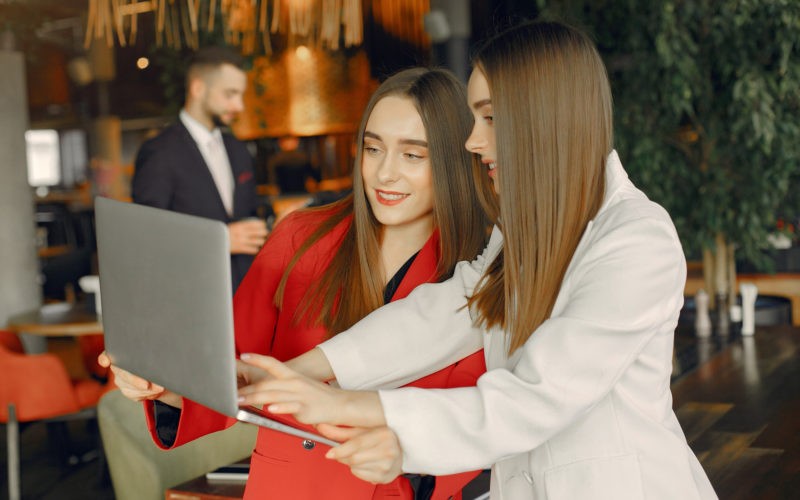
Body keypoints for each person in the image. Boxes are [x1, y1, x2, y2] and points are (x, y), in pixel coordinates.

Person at [235, 20, 718, 500]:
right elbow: (443, 314)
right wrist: (298, 372)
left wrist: (347, 405)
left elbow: (536, 397)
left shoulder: (636, 240)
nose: (471, 142)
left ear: (541, 119)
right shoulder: (523, 233)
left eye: (488, 118)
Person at [102, 67, 492, 500]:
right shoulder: (302, 237)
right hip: (290, 485)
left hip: (404, 489)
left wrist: (414, 459)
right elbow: (234, 365)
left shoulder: (483, 268)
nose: (384, 174)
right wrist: (167, 386)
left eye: (413, 155)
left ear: (457, 160)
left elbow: (485, 413)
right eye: (373, 148)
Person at [132, 46, 268, 292]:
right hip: (191, 293)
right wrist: (216, 241)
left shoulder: (237, 150)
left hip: (246, 292)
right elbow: (146, 235)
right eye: (230, 94)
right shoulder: (159, 152)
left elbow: (248, 218)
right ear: (198, 88)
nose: (239, 106)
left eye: (241, 95)